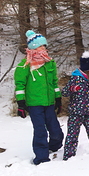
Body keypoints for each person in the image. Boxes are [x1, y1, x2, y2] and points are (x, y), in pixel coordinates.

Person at [14, 30, 65, 165]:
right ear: (33, 48)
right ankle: (41, 158)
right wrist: (21, 103)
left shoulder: (50, 63)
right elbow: (20, 85)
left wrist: (58, 98)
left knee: (56, 131)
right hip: (34, 103)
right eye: (40, 46)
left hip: (49, 102)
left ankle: (53, 148)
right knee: (40, 131)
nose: (43, 48)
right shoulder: (25, 64)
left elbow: (54, 82)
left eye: (44, 46)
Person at [61, 52, 89, 160]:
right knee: (72, 135)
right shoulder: (76, 79)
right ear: (86, 70)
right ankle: (69, 156)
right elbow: (64, 92)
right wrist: (72, 89)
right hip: (76, 113)